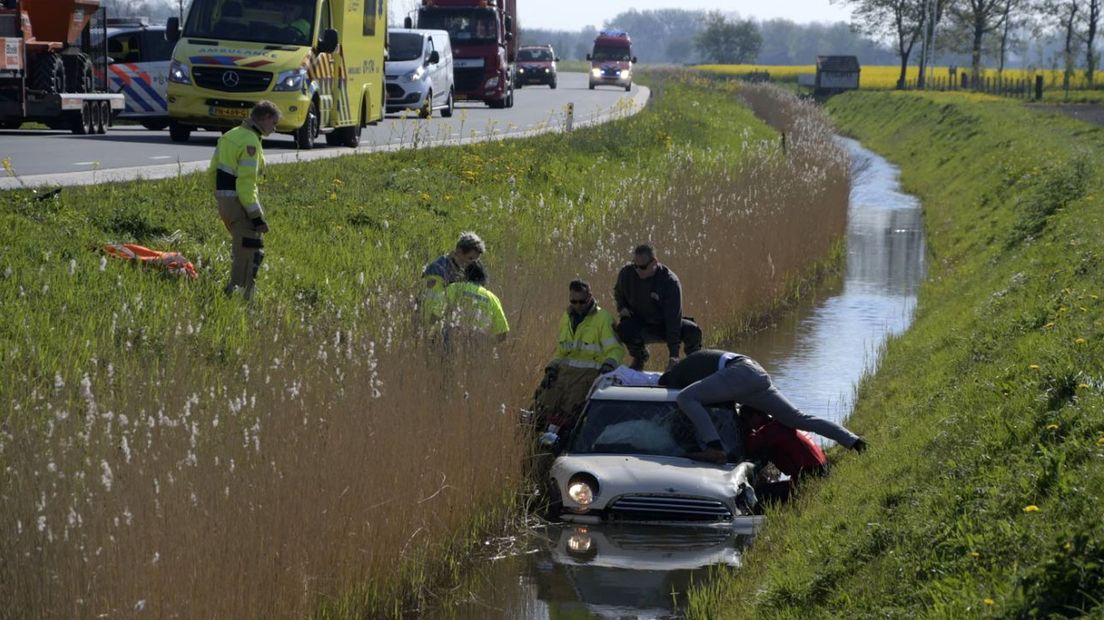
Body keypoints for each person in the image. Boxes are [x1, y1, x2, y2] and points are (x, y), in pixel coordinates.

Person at [659, 349, 868, 464]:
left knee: (685, 398)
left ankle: (715, 449)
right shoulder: (692, 367)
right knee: (798, 419)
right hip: (756, 374)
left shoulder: (678, 376)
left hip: (738, 372)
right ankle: (854, 441)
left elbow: (689, 401)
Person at [533, 279, 626, 447]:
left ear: (590, 297)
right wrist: (552, 367)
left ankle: (564, 445)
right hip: (564, 375)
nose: (578, 305)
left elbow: (615, 350)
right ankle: (540, 442)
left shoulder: (603, 318)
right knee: (542, 405)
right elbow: (562, 351)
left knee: (571, 416)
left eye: (582, 301)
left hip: (588, 376)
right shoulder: (566, 317)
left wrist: (608, 366)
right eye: (573, 301)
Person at [209, 99, 280, 300]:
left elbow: (212, 172)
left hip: (225, 203)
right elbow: (246, 184)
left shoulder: (230, 135)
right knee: (249, 253)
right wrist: (257, 216)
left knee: (243, 248)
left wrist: (221, 199)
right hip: (240, 204)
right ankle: (239, 297)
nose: (274, 129)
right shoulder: (250, 141)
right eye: (274, 123)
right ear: (264, 118)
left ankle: (237, 293)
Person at [613, 244, 702, 371]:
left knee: (693, 331)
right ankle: (640, 357)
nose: (638, 270)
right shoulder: (626, 274)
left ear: (654, 262)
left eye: (642, 267)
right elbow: (618, 292)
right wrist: (621, 307)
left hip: (665, 326)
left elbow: (673, 321)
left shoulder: (670, 282)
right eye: (635, 265)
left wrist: (673, 356)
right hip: (641, 324)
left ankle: (693, 364)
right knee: (623, 329)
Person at [741, 405, 828, 504]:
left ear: (757, 416)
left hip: (810, 477)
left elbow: (750, 445)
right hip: (819, 471)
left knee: (758, 494)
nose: (747, 423)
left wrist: (746, 430)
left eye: (746, 419)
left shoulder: (773, 429)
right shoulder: (782, 423)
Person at [420, 232, 485, 324]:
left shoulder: (465, 271)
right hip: (434, 327)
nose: (473, 264)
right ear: (459, 251)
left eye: (475, 260)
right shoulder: (438, 269)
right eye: (470, 258)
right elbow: (430, 308)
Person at [442, 261, 509, 342]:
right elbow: (502, 333)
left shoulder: (454, 288)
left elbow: (437, 311)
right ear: (483, 277)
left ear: (465, 275)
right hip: (478, 343)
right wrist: (486, 343)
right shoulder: (492, 298)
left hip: (453, 339)